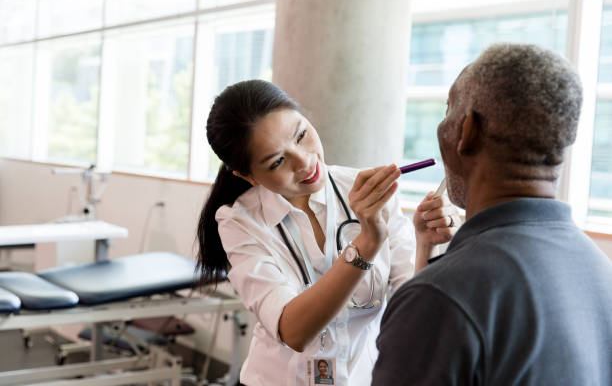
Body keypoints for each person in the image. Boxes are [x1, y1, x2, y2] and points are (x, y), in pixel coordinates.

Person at [372, 43, 612, 385]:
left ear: (467, 131)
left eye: (448, 110)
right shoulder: (599, 271)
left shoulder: (439, 298)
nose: (442, 125)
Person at [196, 79, 458, 385]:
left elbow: (415, 314)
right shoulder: (240, 221)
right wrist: (367, 243)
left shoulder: (369, 193)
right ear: (247, 176)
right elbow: (294, 330)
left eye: (302, 135)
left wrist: (427, 246)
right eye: (278, 161)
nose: (305, 162)